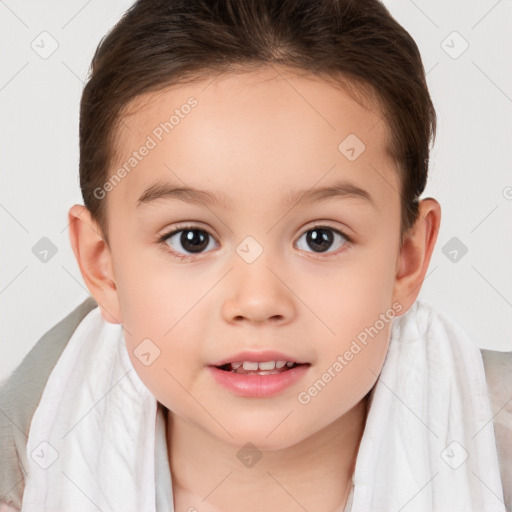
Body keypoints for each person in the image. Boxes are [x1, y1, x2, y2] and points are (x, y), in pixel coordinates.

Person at [1, 1, 510, 511]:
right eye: (192, 239)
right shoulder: (27, 474)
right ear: (102, 266)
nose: (258, 301)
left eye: (321, 238)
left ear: (407, 259)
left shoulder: (494, 446)